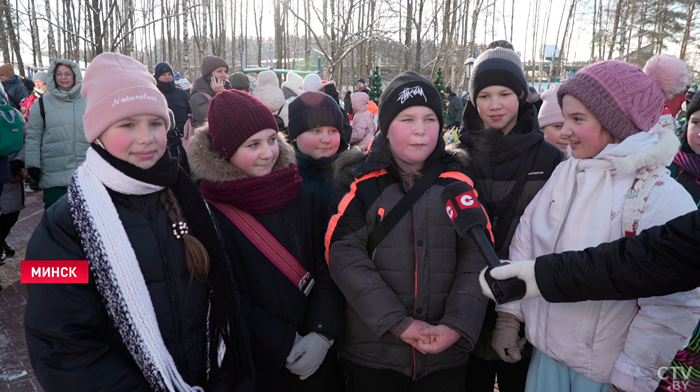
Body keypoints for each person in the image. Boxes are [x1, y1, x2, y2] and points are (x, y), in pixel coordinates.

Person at [24, 52, 253, 392]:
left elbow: (226, 294)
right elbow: (59, 345)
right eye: (128, 124)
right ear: (98, 133)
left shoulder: (191, 200)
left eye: (156, 123)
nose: (146, 137)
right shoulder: (59, 226)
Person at [493, 55, 698, 392]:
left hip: (605, 374)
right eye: (565, 117)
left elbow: (672, 302)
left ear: (616, 121)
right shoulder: (566, 171)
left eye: (577, 118)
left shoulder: (658, 194)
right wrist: (509, 315)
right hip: (547, 358)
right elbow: (526, 243)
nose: (565, 130)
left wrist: (633, 376)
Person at [326, 71, 489, 391]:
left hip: (446, 356)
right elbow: (343, 254)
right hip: (375, 353)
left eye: (429, 119)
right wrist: (398, 324)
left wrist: (457, 325)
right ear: (385, 127)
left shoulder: (459, 181)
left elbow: (478, 254)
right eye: (407, 119)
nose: (420, 130)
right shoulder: (358, 182)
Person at [188, 89, 343, 391]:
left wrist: (322, 334)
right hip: (257, 366)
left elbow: (329, 265)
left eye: (272, 139)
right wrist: (283, 344)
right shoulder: (207, 210)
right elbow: (222, 293)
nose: (268, 153)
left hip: (317, 357)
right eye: (253, 144)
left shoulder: (299, 193)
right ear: (224, 152)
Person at [458, 47, 565, 392]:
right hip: (467, 295)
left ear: (521, 95)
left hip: (527, 298)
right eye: (484, 95)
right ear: (473, 100)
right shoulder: (456, 157)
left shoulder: (549, 158)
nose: (495, 104)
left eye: (505, 93)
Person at [25, 59, 89, 209]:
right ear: (53, 77)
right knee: (56, 221)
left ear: (75, 76)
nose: (64, 77)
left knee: (87, 220)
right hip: (54, 172)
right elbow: (33, 136)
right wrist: (33, 164)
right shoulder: (41, 103)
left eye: (68, 74)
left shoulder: (88, 101)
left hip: (85, 172)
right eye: (59, 74)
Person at [287, 91, 348, 209]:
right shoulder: (279, 177)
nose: (326, 139)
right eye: (316, 131)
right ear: (295, 135)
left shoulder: (352, 175)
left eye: (333, 131)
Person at [191, 55, 231, 127]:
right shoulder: (198, 96)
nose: (224, 75)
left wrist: (223, 92)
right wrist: (221, 94)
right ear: (209, 75)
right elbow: (216, 119)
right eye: (219, 71)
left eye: (226, 72)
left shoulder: (228, 90)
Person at [154, 62, 191, 136]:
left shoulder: (182, 93)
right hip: (162, 136)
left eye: (169, 74)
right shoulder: (153, 93)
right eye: (163, 75)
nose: (167, 77)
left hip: (183, 136)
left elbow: (189, 115)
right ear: (157, 77)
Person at [537, 83, 569, 157]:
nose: (566, 133)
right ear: (541, 129)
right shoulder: (530, 162)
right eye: (558, 126)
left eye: (573, 127)